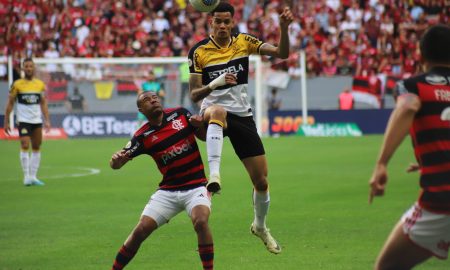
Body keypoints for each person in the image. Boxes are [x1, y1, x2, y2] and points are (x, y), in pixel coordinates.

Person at [188, 2, 293, 254]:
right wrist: (215, 83)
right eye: (218, 21)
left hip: (242, 116)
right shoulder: (199, 51)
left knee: (262, 181)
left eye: (227, 21)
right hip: (211, 116)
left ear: (232, 22)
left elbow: (281, 53)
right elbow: (194, 94)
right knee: (217, 110)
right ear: (210, 21)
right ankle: (214, 176)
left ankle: (260, 226)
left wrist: (283, 28)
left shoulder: (244, 42)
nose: (222, 26)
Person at [368, 24, 450, 269]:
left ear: (420, 54)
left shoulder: (413, 85)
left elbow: (408, 106)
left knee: (388, 266)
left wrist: (381, 163)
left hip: (442, 199)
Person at [110, 91, 214, 270]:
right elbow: (117, 163)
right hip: (168, 191)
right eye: (147, 100)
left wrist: (199, 127)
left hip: (196, 186)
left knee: (201, 221)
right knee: (140, 230)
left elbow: (204, 137)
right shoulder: (142, 136)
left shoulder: (181, 114)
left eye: (155, 97)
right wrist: (115, 160)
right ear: (141, 109)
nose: (153, 100)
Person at [3, 58, 50, 186]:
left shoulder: (40, 84)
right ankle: (26, 176)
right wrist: (6, 121)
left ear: (34, 68)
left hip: (36, 121)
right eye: (27, 66)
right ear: (23, 69)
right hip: (23, 120)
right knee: (24, 144)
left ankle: (33, 177)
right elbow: (10, 103)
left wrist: (47, 120)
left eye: (31, 66)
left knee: (36, 146)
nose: (29, 68)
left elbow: (43, 103)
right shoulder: (17, 84)